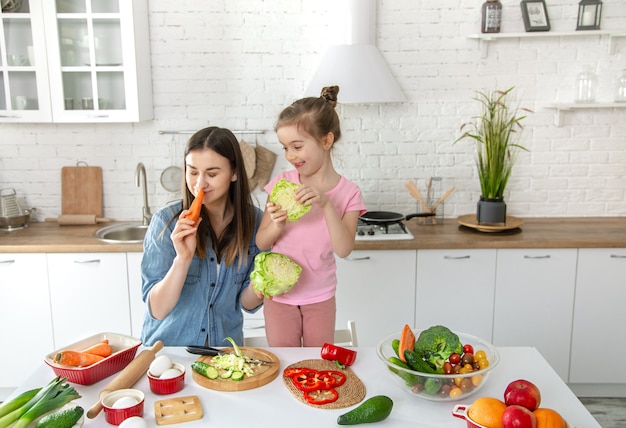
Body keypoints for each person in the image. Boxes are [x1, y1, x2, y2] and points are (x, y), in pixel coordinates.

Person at [256, 86, 366, 347]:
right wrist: (277, 225)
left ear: (326, 141)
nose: (290, 156)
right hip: (279, 296)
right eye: (285, 148)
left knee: (317, 366)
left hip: (320, 297)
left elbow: (344, 249)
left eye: (297, 146)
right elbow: (261, 243)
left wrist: (327, 205)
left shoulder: (349, 193)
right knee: (285, 365)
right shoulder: (281, 184)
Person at [141, 126, 263, 346]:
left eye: (212, 174)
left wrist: (267, 281)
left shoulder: (255, 223)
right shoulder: (166, 222)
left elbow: (248, 304)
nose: (200, 184)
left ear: (234, 173)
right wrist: (183, 259)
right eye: (193, 171)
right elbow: (157, 310)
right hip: (170, 351)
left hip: (223, 354)